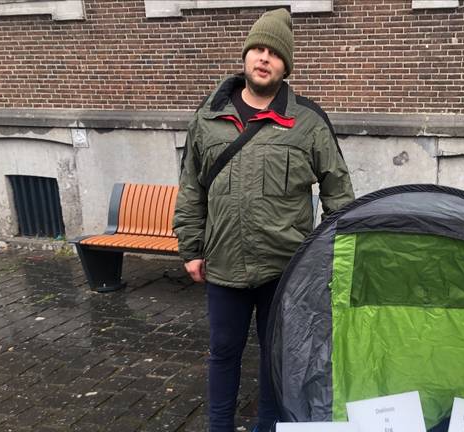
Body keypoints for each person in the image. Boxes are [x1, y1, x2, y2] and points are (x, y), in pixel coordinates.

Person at [173, 8, 355, 432]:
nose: (263, 57)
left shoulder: (307, 122)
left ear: (285, 65)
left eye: (274, 52)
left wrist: (329, 259)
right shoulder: (209, 117)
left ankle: (268, 427)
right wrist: (190, 247)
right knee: (223, 352)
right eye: (257, 48)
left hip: (285, 268)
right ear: (245, 56)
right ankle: (219, 426)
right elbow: (191, 187)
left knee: (279, 356)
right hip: (223, 264)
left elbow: (339, 194)